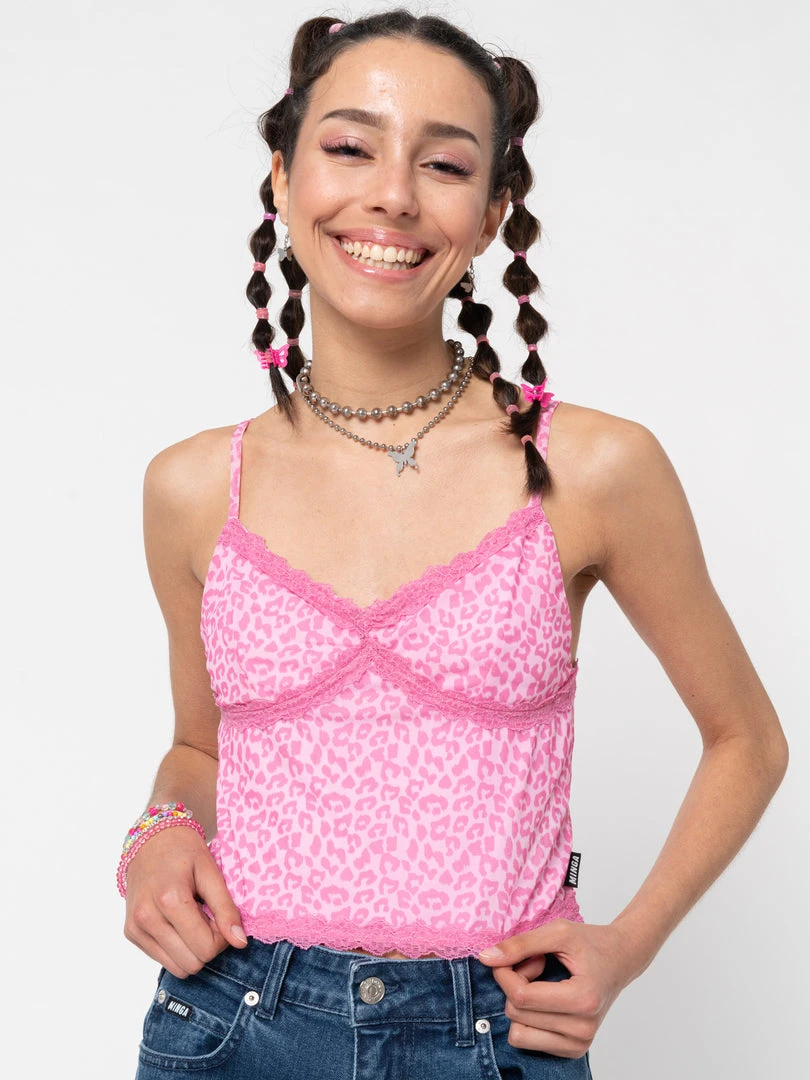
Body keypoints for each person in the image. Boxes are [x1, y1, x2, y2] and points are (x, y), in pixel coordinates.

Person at [120, 10, 788, 1079]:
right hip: (233, 1022)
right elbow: (199, 751)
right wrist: (158, 832)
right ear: (283, 178)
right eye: (350, 146)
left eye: (443, 164)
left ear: (490, 217)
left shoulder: (591, 467)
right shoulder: (195, 488)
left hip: (492, 1035)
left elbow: (747, 739)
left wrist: (624, 948)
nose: (393, 193)